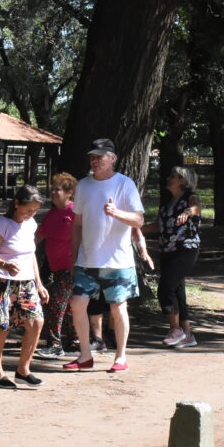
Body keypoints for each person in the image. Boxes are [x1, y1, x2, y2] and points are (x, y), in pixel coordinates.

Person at [63, 139, 144, 372]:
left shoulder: (125, 184)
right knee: (77, 304)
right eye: (92, 156)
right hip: (87, 260)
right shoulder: (84, 186)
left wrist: (116, 212)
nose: (95, 160)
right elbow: (77, 224)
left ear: (113, 158)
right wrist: (74, 256)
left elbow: (138, 220)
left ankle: (121, 357)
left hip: (117, 260)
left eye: (100, 156)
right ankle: (85, 356)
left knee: (118, 308)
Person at [0, 186, 49, 388]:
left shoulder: (30, 224)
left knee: (36, 322)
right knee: (2, 327)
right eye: (28, 210)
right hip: (2, 281)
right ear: (16, 203)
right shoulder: (2, 223)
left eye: (35, 211)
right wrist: (5, 264)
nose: (31, 214)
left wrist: (39, 284)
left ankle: (23, 370)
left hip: (27, 282)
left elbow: (31, 256)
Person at [143, 166, 201, 348]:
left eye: (173, 176)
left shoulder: (189, 197)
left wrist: (187, 212)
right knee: (177, 289)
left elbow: (197, 208)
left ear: (183, 181)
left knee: (166, 287)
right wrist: (134, 228)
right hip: (167, 250)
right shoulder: (168, 203)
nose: (169, 178)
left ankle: (175, 329)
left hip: (185, 248)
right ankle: (188, 334)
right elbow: (159, 227)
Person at [35, 173, 77, 359]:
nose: (52, 192)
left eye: (57, 189)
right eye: (51, 188)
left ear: (69, 192)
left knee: (56, 303)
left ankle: (55, 344)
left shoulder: (75, 212)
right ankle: (74, 341)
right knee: (67, 305)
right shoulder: (52, 214)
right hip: (56, 268)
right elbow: (38, 237)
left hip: (72, 268)